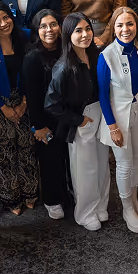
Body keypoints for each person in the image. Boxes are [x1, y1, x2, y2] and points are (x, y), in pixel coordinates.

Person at [45, 13, 111, 231]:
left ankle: (101, 205)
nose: (85, 35)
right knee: (85, 170)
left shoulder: (98, 55)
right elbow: (51, 104)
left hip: (101, 114)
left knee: (103, 165)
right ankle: (85, 212)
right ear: (68, 35)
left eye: (88, 29)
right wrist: (78, 120)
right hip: (81, 121)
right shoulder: (63, 67)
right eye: (78, 31)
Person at [97, 7, 138, 233]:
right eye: (119, 25)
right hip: (118, 118)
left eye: (129, 24)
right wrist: (112, 127)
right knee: (124, 164)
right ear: (113, 28)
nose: (125, 29)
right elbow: (102, 95)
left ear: (136, 26)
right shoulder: (106, 55)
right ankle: (126, 207)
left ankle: (135, 199)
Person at [0, 1, 37, 216]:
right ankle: (11, 198)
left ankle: (30, 192)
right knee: (4, 154)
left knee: (27, 148)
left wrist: (24, 103)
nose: (3, 24)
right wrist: (3, 107)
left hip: (24, 99)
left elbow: (34, 73)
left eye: (6, 18)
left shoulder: (25, 36)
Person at [22, 9, 65, 219]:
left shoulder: (67, 49)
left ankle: (66, 193)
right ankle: (52, 200)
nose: (49, 30)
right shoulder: (32, 57)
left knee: (66, 159)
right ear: (36, 30)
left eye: (53, 24)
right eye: (43, 26)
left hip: (66, 117)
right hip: (45, 121)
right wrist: (38, 126)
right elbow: (32, 96)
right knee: (49, 161)